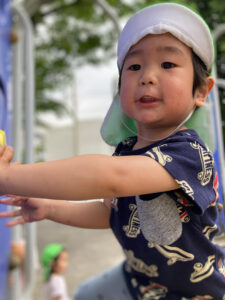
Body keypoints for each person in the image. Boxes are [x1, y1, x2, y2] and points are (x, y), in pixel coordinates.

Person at [0, 2, 224, 299]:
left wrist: (8, 177)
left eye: (167, 64)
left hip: (191, 293)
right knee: (83, 294)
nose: (147, 76)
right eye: (134, 66)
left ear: (201, 91)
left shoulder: (190, 155)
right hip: (139, 280)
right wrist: (50, 208)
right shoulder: (127, 150)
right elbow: (112, 211)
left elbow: (110, 178)